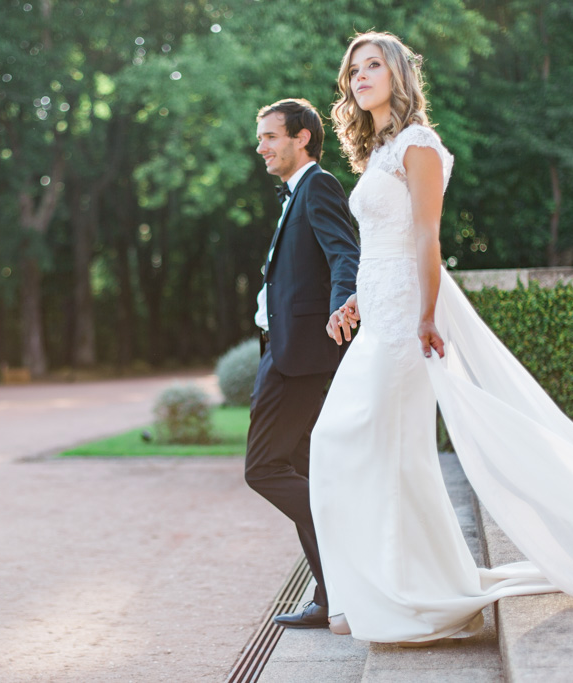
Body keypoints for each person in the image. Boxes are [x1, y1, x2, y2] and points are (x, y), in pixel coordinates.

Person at [309, 31, 573, 645]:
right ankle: (390, 591)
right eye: (353, 68)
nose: (360, 76)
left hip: (405, 321)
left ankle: (395, 594)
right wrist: (359, 294)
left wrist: (427, 315)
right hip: (379, 311)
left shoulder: (419, 145)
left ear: (397, 77)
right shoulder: (378, 152)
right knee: (364, 447)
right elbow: (384, 246)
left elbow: (426, 238)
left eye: (373, 66)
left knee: (356, 443)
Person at [244, 98, 360, 629]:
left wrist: (343, 304)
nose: (261, 146)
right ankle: (330, 593)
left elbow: (344, 253)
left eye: (270, 136)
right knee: (305, 469)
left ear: (302, 138)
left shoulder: (318, 185)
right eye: (261, 137)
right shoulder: (294, 194)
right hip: (285, 350)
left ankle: (347, 551)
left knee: (264, 468)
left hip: (301, 357)